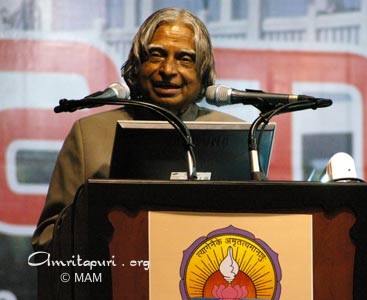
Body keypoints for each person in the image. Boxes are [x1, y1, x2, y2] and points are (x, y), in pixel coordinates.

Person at [32, 8, 241, 251]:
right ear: (137, 66)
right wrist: (102, 218)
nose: (169, 70)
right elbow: (46, 239)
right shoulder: (88, 135)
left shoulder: (234, 133)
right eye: (156, 55)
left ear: (202, 71)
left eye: (185, 58)